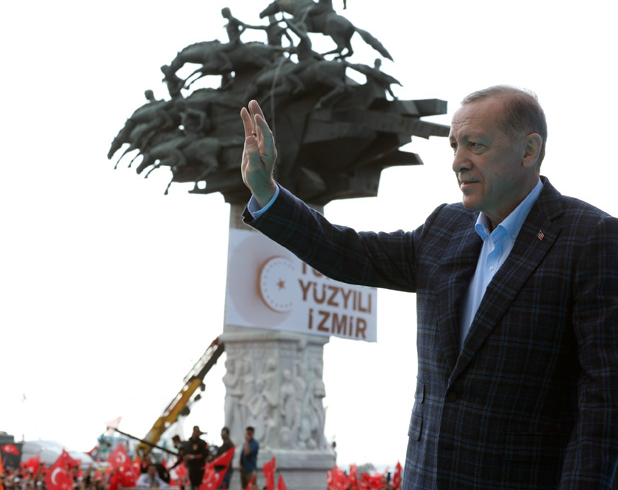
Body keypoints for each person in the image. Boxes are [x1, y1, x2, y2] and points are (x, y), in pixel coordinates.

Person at [239, 87, 618, 488]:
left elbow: (605, 405)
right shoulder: (444, 228)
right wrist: (267, 192)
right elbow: (346, 253)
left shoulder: (592, 238)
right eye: (454, 145)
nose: (458, 162)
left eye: (475, 145)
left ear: (529, 150)